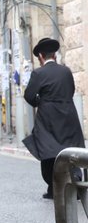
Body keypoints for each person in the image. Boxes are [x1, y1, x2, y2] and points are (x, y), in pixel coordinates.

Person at [22, 37, 85, 199]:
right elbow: (71, 90)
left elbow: (29, 96)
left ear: (41, 56)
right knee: (70, 149)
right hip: (68, 115)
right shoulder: (66, 71)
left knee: (49, 151)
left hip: (48, 118)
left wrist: (41, 102)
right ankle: (75, 183)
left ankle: (53, 188)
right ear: (55, 55)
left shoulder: (38, 73)